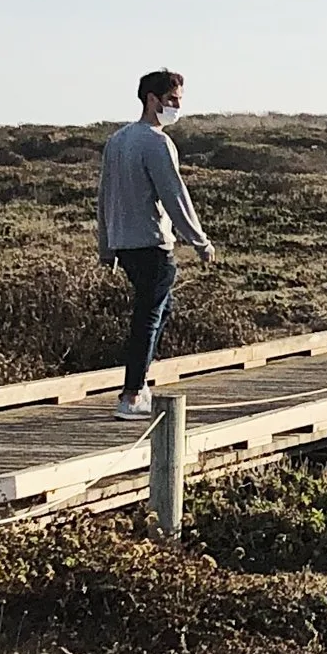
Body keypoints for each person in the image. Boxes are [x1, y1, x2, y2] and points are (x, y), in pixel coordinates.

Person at [98, 70, 215, 419]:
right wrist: (200, 241)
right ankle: (132, 395)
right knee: (148, 316)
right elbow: (174, 194)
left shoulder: (117, 140)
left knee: (161, 309)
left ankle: (139, 384)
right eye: (173, 100)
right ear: (153, 99)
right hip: (151, 243)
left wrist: (106, 246)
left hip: (125, 244)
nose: (177, 107)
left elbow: (105, 196)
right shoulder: (157, 142)